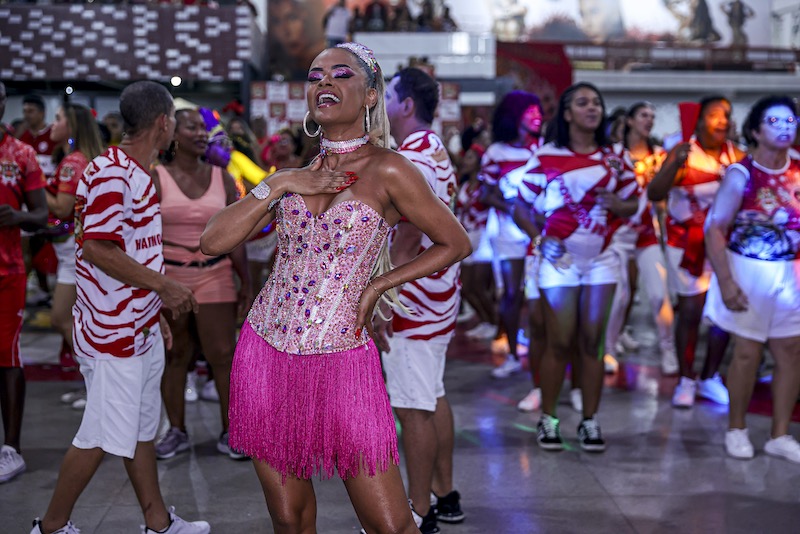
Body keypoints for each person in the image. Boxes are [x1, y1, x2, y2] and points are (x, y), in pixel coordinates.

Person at [200, 43, 470, 534]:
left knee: (391, 525)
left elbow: (454, 241)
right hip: (264, 351)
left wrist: (381, 286)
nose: (323, 82)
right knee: (291, 519)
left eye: (340, 74)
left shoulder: (391, 169)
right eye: (314, 75)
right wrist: (282, 182)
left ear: (370, 95)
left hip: (343, 359)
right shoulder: (297, 172)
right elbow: (212, 240)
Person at [30, 81, 208, 534]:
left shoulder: (134, 171)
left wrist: (152, 312)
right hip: (113, 334)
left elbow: (134, 250)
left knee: (139, 430)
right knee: (100, 436)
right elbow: (99, 250)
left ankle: (158, 522)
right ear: (163, 123)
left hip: (136, 325)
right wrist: (165, 287)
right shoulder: (112, 173)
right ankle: (51, 527)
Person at [518, 82, 639, 452]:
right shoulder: (546, 156)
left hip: (602, 258)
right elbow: (521, 206)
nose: (593, 108)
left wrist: (618, 203)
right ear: (567, 113)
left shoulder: (617, 156)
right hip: (560, 259)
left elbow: (632, 205)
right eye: (583, 103)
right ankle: (549, 419)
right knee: (559, 341)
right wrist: (541, 240)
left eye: (597, 103)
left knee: (593, 342)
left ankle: (589, 420)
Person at [375, 66, 466, 534]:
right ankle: (443, 494)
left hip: (414, 300)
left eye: (388, 94)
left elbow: (409, 234)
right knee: (430, 395)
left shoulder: (414, 156)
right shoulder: (430, 148)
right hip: (436, 293)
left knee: (412, 408)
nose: (382, 102)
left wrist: (383, 297)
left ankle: (417, 509)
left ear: (406, 105)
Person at [705, 95, 800, 463]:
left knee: (790, 353)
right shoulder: (741, 174)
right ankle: (737, 428)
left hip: (790, 272)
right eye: (775, 122)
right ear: (757, 131)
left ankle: (779, 435)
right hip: (748, 269)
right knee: (747, 352)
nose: (785, 127)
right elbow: (715, 228)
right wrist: (727, 282)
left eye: (790, 121)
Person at [152, 108, 250, 461]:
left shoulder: (222, 178)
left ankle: (232, 432)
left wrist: (247, 283)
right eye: (190, 126)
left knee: (222, 355)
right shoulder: (155, 176)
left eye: (203, 127)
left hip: (216, 273)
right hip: (170, 278)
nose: (200, 132)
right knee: (176, 355)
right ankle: (176, 430)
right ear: (173, 133)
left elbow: (235, 233)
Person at [648, 95, 745, 408]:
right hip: (686, 245)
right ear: (700, 120)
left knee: (725, 315)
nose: (723, 121)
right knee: (690, 312)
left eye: (727, 115)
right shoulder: (682, 151)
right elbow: (655, 192)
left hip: (724, 246)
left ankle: (710, 376)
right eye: (715, 115)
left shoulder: (738, 156)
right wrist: (675, 163)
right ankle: (686, 380)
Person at [0, 81, 48, 484]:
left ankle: (11, 448)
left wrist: (16, 217)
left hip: (8, 271)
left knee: (8, 359)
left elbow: (42, 213)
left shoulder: (22, 155)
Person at [479, 90, 544, 379]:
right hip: (507, 233)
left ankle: (537, 347)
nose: (537, 117)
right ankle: (514, 352)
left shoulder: (543, 149)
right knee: (511, 292)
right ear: (514, 116)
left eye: (539, 111)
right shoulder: (496, 153)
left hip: (539, 232)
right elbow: (486, 194)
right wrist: (512, 208)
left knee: (539, 295)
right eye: (530, 111)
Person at [46, 103, 105, 410]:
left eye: (57, 119)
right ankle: (92, 383)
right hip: (75, 248)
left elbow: (60, 207)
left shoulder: (73, 161)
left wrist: (35, 183)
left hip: (73, 250)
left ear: (72, 126)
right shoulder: (87, 158)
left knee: (63, 317)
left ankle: (96, 383)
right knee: (75, 319)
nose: (50, 124)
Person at [619, 102, 677, 374]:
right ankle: (608, 346)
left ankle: (668, 351)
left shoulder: (659, 155)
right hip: (616, 235)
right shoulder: (614, 155)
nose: (649, 120)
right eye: (643, 115)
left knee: (658, 295)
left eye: (653, 116)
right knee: (619, 297)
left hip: (646, 234)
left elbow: (663, 197)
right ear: (629, 120)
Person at [456, 142, 496, 340]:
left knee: (479, 287)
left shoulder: (485, 186)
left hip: (483, 237)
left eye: (471, 157)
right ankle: (485, 320)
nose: (465, 160)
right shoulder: (463, 185)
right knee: (467, 287)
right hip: (466, 237)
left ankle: (494, 323)